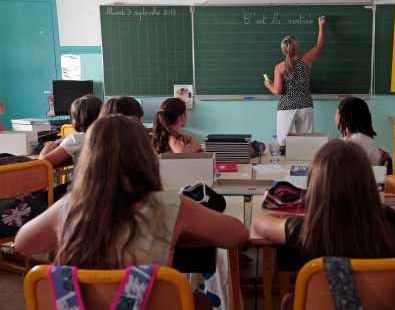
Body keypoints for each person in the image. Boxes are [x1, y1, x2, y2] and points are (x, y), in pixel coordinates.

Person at [14, 115, 248, 269]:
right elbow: (238, 235)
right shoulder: (171, 206)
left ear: (88, 161)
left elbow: (23, 243)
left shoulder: (70, 206)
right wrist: (182, 232)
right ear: (145, 158)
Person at [253, 139, 395, 262]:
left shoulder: (305, 229)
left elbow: (259, 223)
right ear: (368, 184)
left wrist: (287, 218)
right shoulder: (386, 221)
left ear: (315, 188)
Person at [264, 17, 326, 145]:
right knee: (307, 144)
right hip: (305, 105)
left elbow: (277, 91)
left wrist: (269, 84)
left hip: (286, 106)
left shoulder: (279, 67)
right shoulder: (307, 60)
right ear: (296, 46)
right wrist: (321, 26)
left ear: (283, 49)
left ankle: (284, 164)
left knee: (282, 144)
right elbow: (319, 45)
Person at [39, 94, 102, 167]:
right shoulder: (109, 135)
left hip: (84, 178)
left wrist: (49, 144)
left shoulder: (76, 139)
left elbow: (43, 162)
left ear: (75, 119)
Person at [335, 96, 382, 165]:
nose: (335, 116)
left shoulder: (352, 144)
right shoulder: (363, 138)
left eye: (336, 113)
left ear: (343, 116)